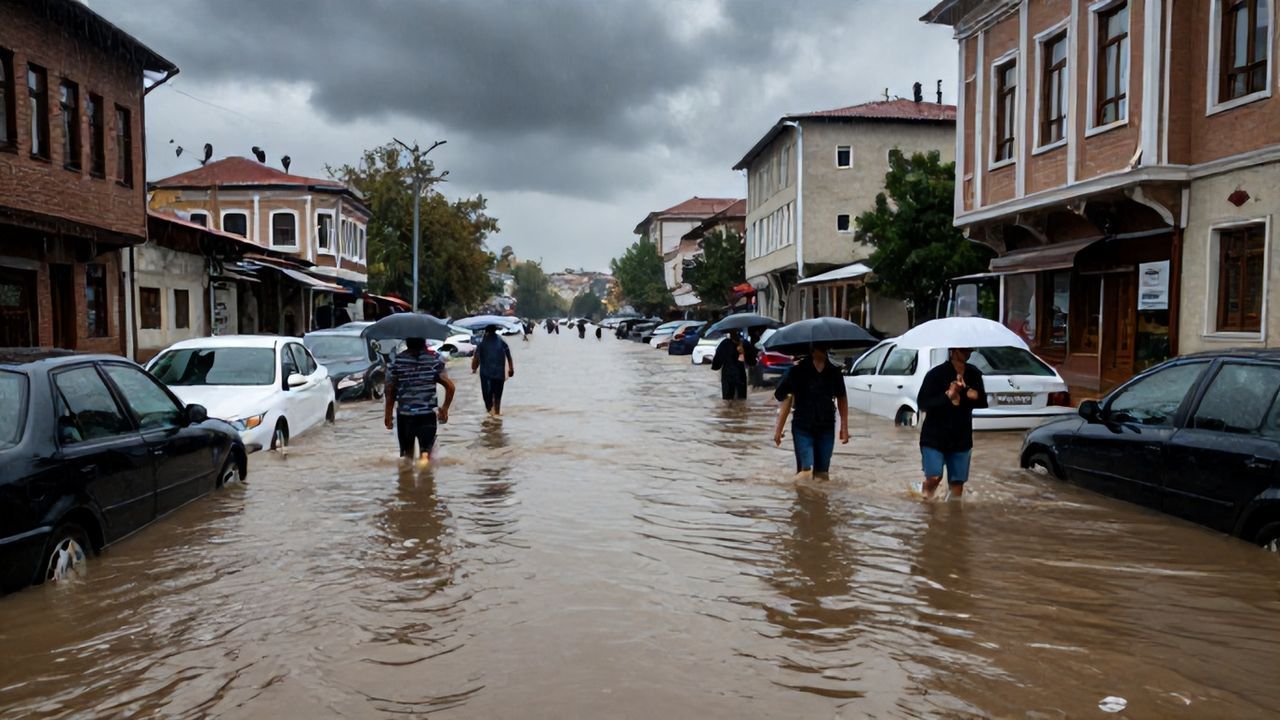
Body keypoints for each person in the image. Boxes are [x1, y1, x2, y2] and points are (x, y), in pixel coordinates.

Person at [916, 347, 987, 500]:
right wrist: (948, 395)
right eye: (963, 351)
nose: (967, 354)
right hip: (934, 436)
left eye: (970, 350)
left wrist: (966, 392)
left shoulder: (974, 373)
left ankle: (954, 513)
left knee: (957, 484)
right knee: (934, 477)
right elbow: (923, 403)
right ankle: (925, 501)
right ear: (953, 350)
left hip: (961, 436)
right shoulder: (935, 374)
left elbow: (982, 401)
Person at [773, 345, 849, 480]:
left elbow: (842, 398)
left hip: (826, 427)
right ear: (812, 349)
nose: (824, 350)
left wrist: (844, 427)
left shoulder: (834, 372)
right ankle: (795, 490)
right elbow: (785, 399)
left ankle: (816, 494)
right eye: (820, 347)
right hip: (802, 427)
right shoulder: (796, 372)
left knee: (822, 474)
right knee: (806, 470)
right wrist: (779, 430)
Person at [384, 336, 455, 464]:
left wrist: (388, 415)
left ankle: (407, 476)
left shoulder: (397, 361)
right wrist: (444, 408)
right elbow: (450, 387)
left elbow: (390, 390)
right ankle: (425, 472)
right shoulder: (434, 360)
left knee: (407, 456)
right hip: (427, 415)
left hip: (405, 416)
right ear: (424, 341)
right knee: (426, 455)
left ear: (407, 342)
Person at [471, 325, 515, 417]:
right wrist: (511, 369)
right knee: (497, 398)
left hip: (486, 376)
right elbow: (509, 356)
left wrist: (474, 368)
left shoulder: (482, 343)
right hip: (499, 375)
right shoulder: (502, 342)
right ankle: (497, 416)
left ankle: (490, 418)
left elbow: (476, 359)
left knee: (488, 399)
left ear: (486, 331)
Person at [710, 329, 757, 400]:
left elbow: (717, 361)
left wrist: (715, 366)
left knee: (728, 400)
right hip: (740, 375)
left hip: (727, 375)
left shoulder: (724, 344)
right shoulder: (745, 343)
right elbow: (752, 362)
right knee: (741, 399)